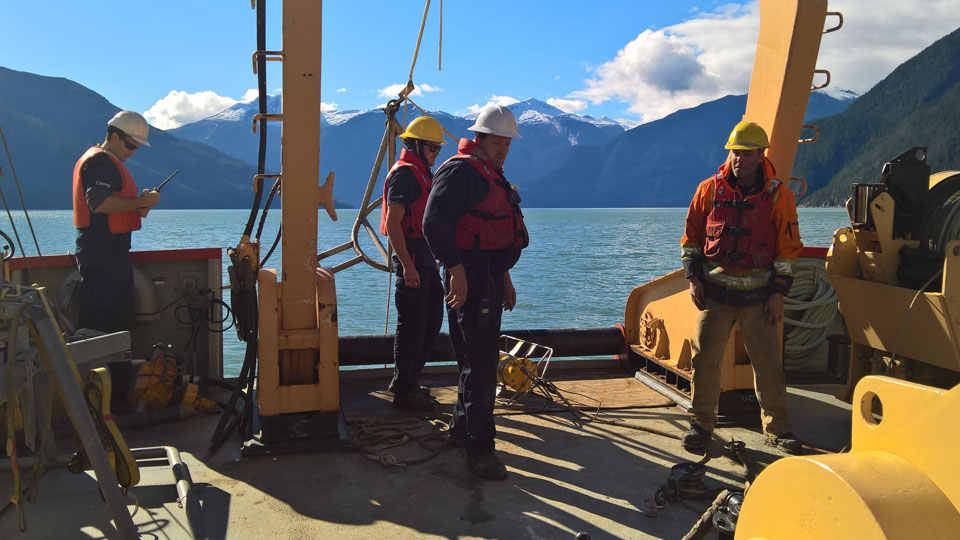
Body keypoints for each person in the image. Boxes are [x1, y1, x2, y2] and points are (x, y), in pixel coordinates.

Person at [679, 120, 803, 455]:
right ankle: (701, 425)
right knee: (704, 361)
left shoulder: (780, 197)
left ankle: (777, 430)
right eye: (735, 152)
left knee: (768, 367)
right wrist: (693, 278)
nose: (739, 159)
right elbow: (691, 238)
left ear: (761, 155)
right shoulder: (709, 190)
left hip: (759, 302)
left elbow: (788, 251)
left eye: (747, 154)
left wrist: (778, 294)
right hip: (715, 299)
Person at [423, 105, 529, 481]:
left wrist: (503, 278)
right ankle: (480, 451)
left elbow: (493, 235)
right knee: (482, 367)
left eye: (507, 144)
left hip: (486, 277)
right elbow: (433, 223)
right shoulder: (461, 171)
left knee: (474, 360)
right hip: (470, 279)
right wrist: (456, 271)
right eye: (497, 142)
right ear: (480, 139)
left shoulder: (487, 173)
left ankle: (460, 429)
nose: (503, 150)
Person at [73, 110, 161, 333]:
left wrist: (140, 205)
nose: (132, 152)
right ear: (114, 137)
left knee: (105, 318)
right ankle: (110, 367)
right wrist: (141, 200)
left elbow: (110, 206)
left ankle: (102, 366)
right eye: (130, 146)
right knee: (109, 321)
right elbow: (99, 204)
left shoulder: (101, 161)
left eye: (137, 148)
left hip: (103, 250)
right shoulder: (101, 163)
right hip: (104, 253)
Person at [380, 115, 447, 411]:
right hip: (414, 258)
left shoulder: (421, 172)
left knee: (430, 322)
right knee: (412, 326)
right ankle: (405, 392)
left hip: (425, 257)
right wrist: (406, 265)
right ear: (417, 146)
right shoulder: (405, 174)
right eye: (433, 148)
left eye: (438, 149)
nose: (436, 154)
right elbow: (394, 223)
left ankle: (405, 380)